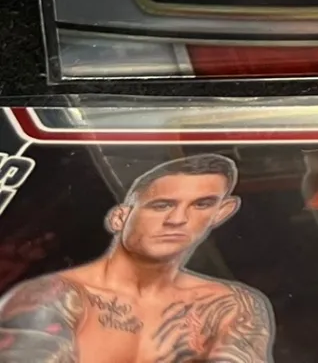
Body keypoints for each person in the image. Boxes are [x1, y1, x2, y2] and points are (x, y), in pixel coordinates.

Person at [0, 154, 274, 362]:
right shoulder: (52, 296)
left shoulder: (230, 305)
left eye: (202, 204)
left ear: (222, 212)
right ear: (120, 218)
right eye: (161, 205)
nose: (178, 219)